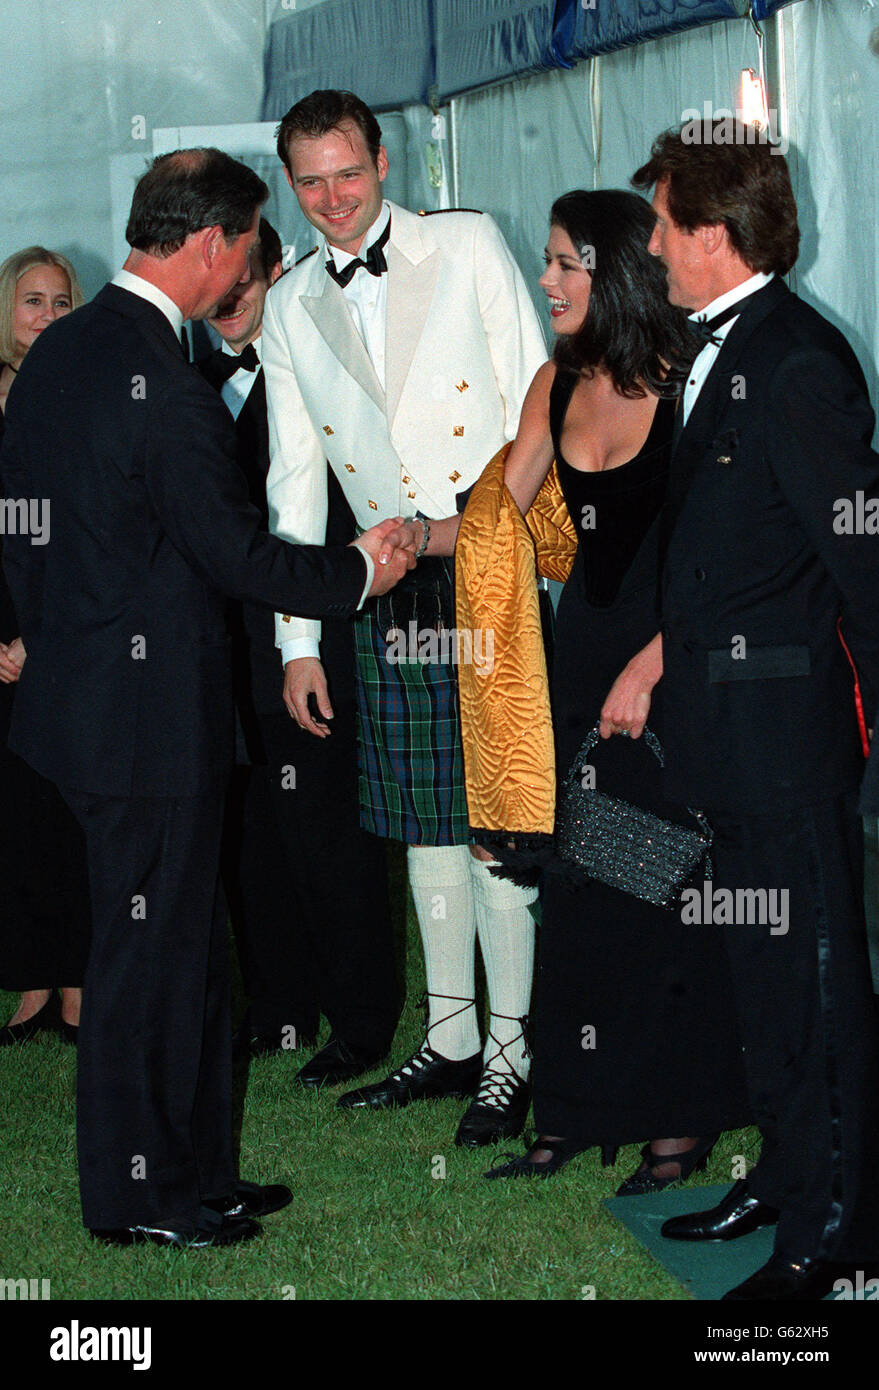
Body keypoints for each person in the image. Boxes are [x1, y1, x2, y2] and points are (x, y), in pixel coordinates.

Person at [0, 147, 413, 1249]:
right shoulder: (164, 383)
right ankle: (147, 1198)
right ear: (212, 244)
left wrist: (55, 640)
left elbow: (23, 532)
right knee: (153, 964)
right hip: (145, 730)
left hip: (89, 714)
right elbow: (239, 555)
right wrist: (364, 570)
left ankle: (199, 1174)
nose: (239, 275)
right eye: (242, 248)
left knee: (178, 955)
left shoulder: (58, 355)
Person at [390, 191, 750, 1187]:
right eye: (547, 261)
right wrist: (412, 538)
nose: (545, 280)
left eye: (563, 262)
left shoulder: (696, 382)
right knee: (585, 897)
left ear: (619, 270)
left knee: (669, 899)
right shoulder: (555, 383)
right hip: (577, 668)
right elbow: (496, 518)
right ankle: (578, 1111)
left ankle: (678, 1127)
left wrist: (662, 659)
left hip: (676, 670)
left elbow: (737, 554)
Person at [618, 119, 879, 1300]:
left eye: (666, 225)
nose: (654, 245)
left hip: (786, 740)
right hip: (724, 737)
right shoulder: (716, 345)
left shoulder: (798, 359)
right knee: (764, 976)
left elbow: (861, 559)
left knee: (819, 987)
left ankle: (835, 1226)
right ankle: (784, 1176)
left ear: (713, 236)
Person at [261, 89, 547, 1143]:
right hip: (381, 589)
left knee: (495, 826)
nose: (334, 199)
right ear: (291, 186)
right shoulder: (289, 304)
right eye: (312, 182)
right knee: (425, 825)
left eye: (349, 172)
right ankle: (455, 1036)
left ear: (385, 160)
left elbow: (537, 402)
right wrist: (300, 639)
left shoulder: (467, 244)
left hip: (487, 563)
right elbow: (296, 484)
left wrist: (482, 539)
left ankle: (515, 1056)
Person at [201, 217, 399, 1063]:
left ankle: (359, 1020)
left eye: (248, 282)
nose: (230, 300)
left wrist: (303, 640)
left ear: (278, 274)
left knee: (324, 828)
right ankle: (278, 1006)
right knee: (249, 834)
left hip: (311, 633)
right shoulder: (178, 384)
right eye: (220, 285)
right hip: (215, 650)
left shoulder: (324, 367)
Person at [0, 246, 90, 1046]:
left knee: (66, 817)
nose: (48, 318)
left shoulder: (84, 402)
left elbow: (91, 538)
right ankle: (29, 982)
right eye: (34, 301)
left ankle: (75, 986)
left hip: (61, 638)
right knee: (13, 824)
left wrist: (40, 637)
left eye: (63, 303)